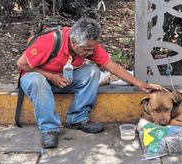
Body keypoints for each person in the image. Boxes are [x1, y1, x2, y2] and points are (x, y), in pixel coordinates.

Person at [16, 17, 162, 149]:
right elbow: (22, 64)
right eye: (86, 49)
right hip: (35, 76)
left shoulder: (89, 45)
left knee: (93, 71)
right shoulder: (50, 41)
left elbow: (112, 66)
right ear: (73, 42)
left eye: (92, 49)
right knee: (38, 81)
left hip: (62, 77)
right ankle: (49, 130)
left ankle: (77, 119)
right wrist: (51, 76)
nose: (90, 52)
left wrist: (140, 84)